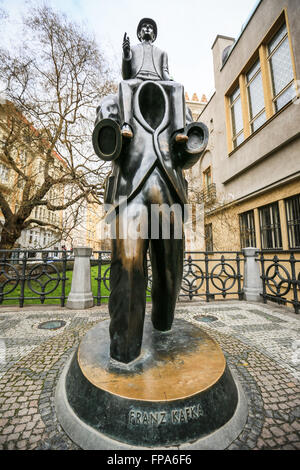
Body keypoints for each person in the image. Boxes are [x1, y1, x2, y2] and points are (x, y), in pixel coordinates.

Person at [119, 18, 189, 143]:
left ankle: (178, 131)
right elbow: (126, 76)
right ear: (139, 34)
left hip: (158, 81)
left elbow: (165, 73)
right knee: (124, 84)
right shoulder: (132, 49)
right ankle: (126, 125)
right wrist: (126, 55)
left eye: (150, 27)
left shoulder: (162, 53)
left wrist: (172, 81)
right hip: (138, 79)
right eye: (144, 27)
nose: (147, 28)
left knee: (178, 86)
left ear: (154, 35)